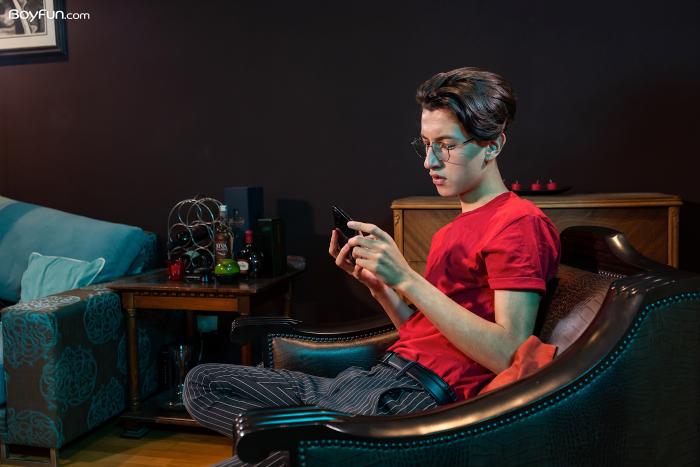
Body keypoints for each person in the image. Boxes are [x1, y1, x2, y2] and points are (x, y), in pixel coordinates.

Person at [183, 67, 560, 467]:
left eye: (446, 146)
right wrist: (380, 286)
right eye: (425, 145)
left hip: (413, 401)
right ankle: (310, 454)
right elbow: (425, 335)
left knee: (266, 455)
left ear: (493, 145)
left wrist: (407, 278)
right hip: (374, 381)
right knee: (201, 384)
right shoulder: (451, 231)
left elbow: (508, 353)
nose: (429, 161)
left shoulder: (518, 223)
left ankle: (315, 454)